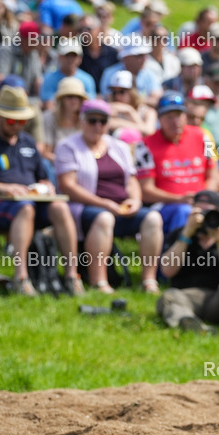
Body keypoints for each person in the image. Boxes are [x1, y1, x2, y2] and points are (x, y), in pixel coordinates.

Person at [0, 85, 83, 296]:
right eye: (12, 121)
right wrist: (1, 187)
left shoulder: (27, 141)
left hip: (31, 200)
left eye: (22, 121)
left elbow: (42, 175)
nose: (17, 126)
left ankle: (72, 275)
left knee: (60, 207)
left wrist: (46, 186)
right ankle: (20, 277)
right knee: (25, 208)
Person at [56, 99, 164, 293]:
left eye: (103, 121)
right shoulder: (68, 146)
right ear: (82, 121)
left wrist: (135, 200)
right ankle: (100, 281)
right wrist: (103, 203)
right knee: (104, 218)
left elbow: (132, 180)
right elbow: (68, 186)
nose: (98, 126)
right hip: (85, 208)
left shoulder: (119, 147)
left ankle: (149, 280)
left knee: (153, 218)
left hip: (120, 207)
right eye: (92, 120)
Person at [157, 189, 219, 334]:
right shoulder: (179, 235)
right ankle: (189, 323)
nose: (204, 218)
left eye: (208, 213)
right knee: (169, 296)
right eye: (199, 212)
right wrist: (186, 235)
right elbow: (167, 270)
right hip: (185, 296)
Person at [136, 91, 219, 234]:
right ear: (160, 119)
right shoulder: (144, 145)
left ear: (185, 116)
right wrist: (179, 199)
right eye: (169, 116)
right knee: (183, 212)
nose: (175, 121)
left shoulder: (204, 136)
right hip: (165, 206)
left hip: (202, 203)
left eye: (179, 115)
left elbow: (215, 175)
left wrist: (203, 198)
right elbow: (145, 190)